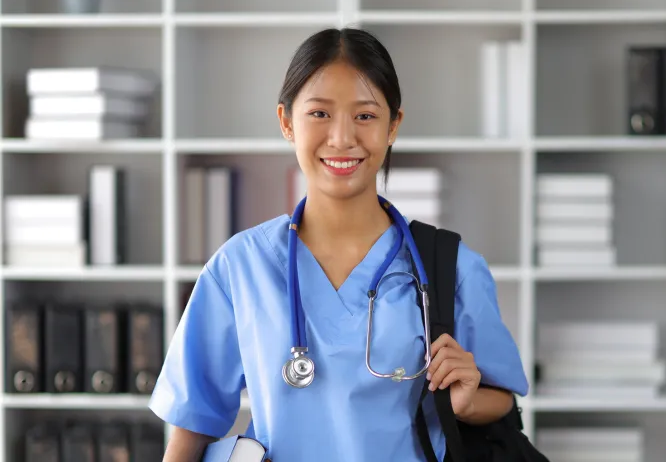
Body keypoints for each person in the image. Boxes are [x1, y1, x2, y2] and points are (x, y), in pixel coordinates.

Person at [148, 27, 529, 461]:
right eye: (320, 114)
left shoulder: (450, 266)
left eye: (365, 116)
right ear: (287, 122)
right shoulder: (240, 266)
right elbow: (189, 430)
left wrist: (467, 400)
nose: (342, 138)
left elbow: (502, 396)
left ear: (393, 126)